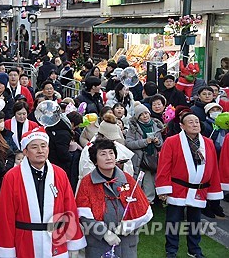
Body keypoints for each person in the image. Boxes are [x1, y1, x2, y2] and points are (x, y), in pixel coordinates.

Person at [0, 127, 87, 257]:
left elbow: (69, 208)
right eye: (34, 147)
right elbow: (6, 215)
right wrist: (6, 249)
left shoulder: (59, 174)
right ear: (25, 151)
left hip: (56, 242)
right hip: (25, 241)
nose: (40, 150)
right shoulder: (12, 177)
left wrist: (73, 241)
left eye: (44, 146)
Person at [156, 112, 223, 258]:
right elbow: (164, 166)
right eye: (190, 122)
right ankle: (171, 250)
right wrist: (164, 188)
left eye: (197, 122)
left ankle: (194, 249)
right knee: (173, 221)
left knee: (195, 222)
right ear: (182, 126)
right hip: (178, 187)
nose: (195, 124)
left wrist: (213, 190)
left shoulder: (208, 143)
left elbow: (213, 168)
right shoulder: (172, 141)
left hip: (199, 189)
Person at [76, 138, 153, 258]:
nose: (108, 157)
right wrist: (104, 233)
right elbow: (83, 215)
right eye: (103, 154)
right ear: (95, 160)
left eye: (111, 153)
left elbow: (142, 208)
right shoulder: (87, 183)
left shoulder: (127, 179)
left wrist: (129, 225)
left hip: (126, 244)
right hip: (98, 245)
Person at [125, 104, 164, 203]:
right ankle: (147, 201)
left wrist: (157, 142)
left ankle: (156, 200)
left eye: (146, 113)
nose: (145, 116)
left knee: (155, 179)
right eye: (141, 114)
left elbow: (162, 144)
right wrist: (145, 142)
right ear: (138, 117)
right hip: (141, 159)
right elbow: (129, 143)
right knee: (147, 181)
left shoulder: (156, 126)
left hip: (154, 158)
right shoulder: (134, 128)